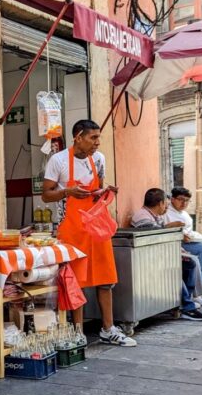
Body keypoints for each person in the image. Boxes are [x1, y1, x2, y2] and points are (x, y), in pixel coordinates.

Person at [41, 119, 136, 347]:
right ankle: (78, 332)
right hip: (71, 229)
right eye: (93, 138)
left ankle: (108, 328)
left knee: (105, 279)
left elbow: (97, 191)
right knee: (78, 281)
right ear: (78, 137)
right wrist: (67, 191)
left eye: (98, 137)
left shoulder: (99, 159)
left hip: (97, 227)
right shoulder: (59, 160)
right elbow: (46, 194)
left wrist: (106, 191)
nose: (97, 143)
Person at [129, 188, 202, 321]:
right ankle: (187, 307)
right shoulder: (142, 216)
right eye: (165, 203)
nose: (166, 206)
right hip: (147, 258)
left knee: (190, 263)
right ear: (160, 203)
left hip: (158, 254)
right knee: (175, 268)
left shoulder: (155, 216)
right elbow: (151, 235)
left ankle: (185, 301)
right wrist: (169, 227)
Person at [166, 187, 202, 299]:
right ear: (172, 199)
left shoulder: (184, 214)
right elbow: (165, 230)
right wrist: (180, 235)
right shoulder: (167, 212)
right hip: (175, 243)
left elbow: (189, 230)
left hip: (189, 241)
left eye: (187, 200)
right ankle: (199, 286)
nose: (184, 203)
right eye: (181, 199)